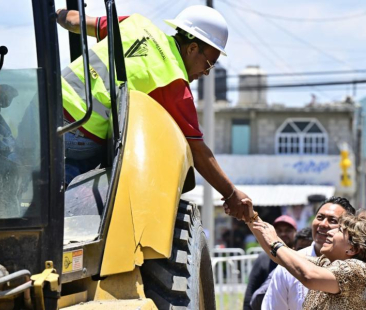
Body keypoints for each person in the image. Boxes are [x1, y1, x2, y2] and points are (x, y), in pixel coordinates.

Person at [56, 6, 254, 221]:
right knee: (89, 190)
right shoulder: (175, 82)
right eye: (208, 64)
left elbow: (74, 22)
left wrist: (57, 12)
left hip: (47, 106)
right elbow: (197, 150)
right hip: (80, 134)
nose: (206, 73)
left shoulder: (135, 24)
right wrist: (231, 194)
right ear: (192, 48)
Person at [260, 196, 366, 310]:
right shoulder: (323, 262)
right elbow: (284, 258)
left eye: (338, 228)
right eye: (320, 217)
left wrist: (276, 243)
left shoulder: (359, 271)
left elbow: (308, 275)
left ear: (352, 249)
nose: (327, 228)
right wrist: (252, 219)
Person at [244, 215, 298, 310]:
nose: (283, 234)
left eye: (288, 230)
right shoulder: (263, 258)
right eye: (279, 231)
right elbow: (251, 291)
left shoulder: (299, 257)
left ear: (295, 233)